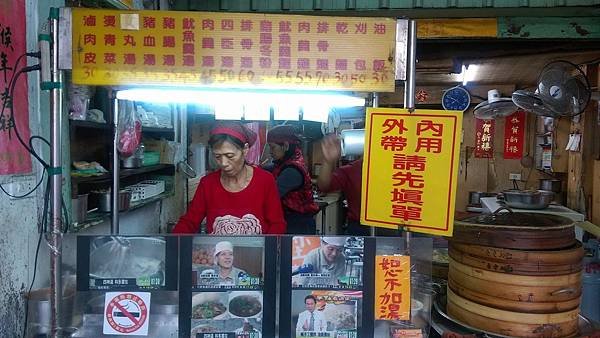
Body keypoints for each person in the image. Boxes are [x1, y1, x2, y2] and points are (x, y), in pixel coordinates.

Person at [173, 122, 286, 235]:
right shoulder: (208, 184)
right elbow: (190, 221)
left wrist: (267, 249)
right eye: (217, 156)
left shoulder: (265, 180)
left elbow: (277, 224)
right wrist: (172, 242)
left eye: (230, 156)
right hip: (218, 251)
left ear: (245, 149)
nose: (223, 163)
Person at [318, 134, 397, 236]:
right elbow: (324, 186)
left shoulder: (399, 169)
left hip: (394, 228)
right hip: (359, 228)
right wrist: (328, 162)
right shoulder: (351, 170)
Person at [265, 125, 319, 234]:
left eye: (272, 147)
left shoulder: (292, 170)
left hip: (298, 224)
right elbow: (269, 168)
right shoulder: (285, 162)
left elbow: (271, 196)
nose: (270, 152)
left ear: (285, 146)